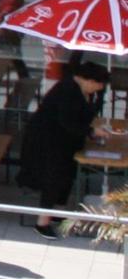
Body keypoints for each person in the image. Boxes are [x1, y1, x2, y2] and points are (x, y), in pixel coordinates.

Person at [19, 60, 110, 236]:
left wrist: (98, 99)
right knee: (54, 179)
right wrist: (91, 132)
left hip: (65, 142)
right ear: (88, 80)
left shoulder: (83, 90)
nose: (98, 89)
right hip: (48, 141)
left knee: (66, 177)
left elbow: (87, 114)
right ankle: (42, 223)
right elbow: (68, 121)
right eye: (98, 86)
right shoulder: (67, 90)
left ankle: (58, 213)